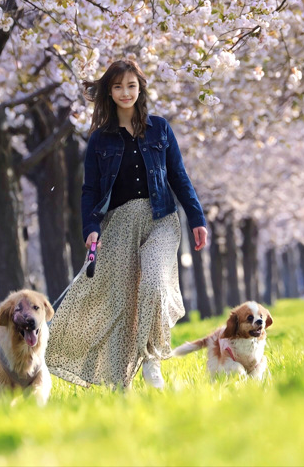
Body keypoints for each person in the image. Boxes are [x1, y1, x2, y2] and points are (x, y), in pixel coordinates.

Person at [45, 59, 209, 389]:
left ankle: (151, 360)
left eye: (131, 85)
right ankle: (120, 384)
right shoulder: (99, 141)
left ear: (140, 88)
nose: (125, 92)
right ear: (109, 91)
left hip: (161, 219)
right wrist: (90, 228)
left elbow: (178, 176)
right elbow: (90, 190)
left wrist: (196, 218)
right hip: (119, 223)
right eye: (118, 86)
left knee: (153, 283)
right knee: (122, 303)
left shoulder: (160, 129)